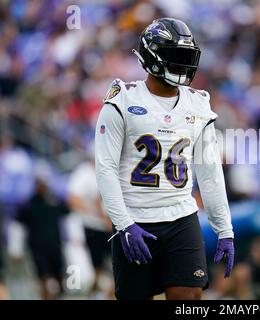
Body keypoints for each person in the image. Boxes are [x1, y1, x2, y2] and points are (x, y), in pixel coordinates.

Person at [95, 18, 234, 300]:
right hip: (135, 218)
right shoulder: (122, 101)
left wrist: (224, 228)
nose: (183, 66)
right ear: (153, 57)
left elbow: (209, 170)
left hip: (181, 216)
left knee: (190, 298)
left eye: (186, 57)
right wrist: (123, 223)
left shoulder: (198, 104)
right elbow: (105, 167)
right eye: (175, 57)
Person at [67, 147, 113, 298]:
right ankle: (96, 294)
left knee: (117, 266)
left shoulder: (111, 170)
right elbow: (73, 199)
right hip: (92, 226)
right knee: (95, 268)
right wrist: (97, 213)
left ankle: (104, 293)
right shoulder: (84, 173)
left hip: (111, 225)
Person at [17, 178, 69, 300]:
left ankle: (60, 295)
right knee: (43, 275)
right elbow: (18, 225)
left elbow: (67, 214)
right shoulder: (29, 204)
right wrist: (17, 248)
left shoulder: (54, 201)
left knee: (59, 273)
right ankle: (46, 296)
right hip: (37, 246)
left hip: (55, 244)